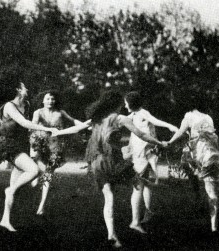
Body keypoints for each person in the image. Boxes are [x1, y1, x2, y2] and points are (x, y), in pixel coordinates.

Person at [54, 90, 168, 248]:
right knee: (138, 185)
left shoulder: (96, 119)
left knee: (109, 196)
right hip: (113, 161)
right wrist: (160, 143)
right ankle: (135, 222)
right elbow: (141, 134)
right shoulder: (121, 118)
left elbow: (77, 128)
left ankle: (111, 234)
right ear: (117, 104)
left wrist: (58, 132)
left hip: (96, 162)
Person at [0, 75, 59, 232]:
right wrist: (47, 129)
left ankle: (5, 220)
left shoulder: (27, 104)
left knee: (14, 187)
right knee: (33, 170)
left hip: (22, 146)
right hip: (10, 147)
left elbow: (29, 127)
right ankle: (10, 191)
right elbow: (24, 123)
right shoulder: (9, 106)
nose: (27, 89)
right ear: (17, 89)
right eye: (24, 87)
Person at [167, 94, 219, 233]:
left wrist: (168, 143)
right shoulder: (208, 118)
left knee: (185, 162)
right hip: (212, 156)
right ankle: (214, 226)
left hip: (198, 155)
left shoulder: (188, 116)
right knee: (212, 193)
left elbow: (180, 133)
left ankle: (196, 194)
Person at [124, 91, 178, 233]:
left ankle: (137, 219)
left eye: (126, 103)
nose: (124, 105)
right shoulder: (133, 115)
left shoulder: (142, 112)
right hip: (141, 152)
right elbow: (121, 121)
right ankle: (145, 213)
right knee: (145, 183)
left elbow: (154, 121)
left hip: (144, 153)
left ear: (131, 103)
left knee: (140, 185)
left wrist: (169, 126)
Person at [29, 90, 83, 215]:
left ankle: (41, 205)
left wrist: (85, 125)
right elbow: (32, 128)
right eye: (47, 99)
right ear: (42, 100)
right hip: (41, 145)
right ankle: (37, 174)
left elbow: (73, 120)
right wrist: (34, 147)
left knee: (48, 174)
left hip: (56, 146)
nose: (50, 101)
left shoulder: (60, 112)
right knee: (41, 168)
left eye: (52, 99)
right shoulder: (38, 112)